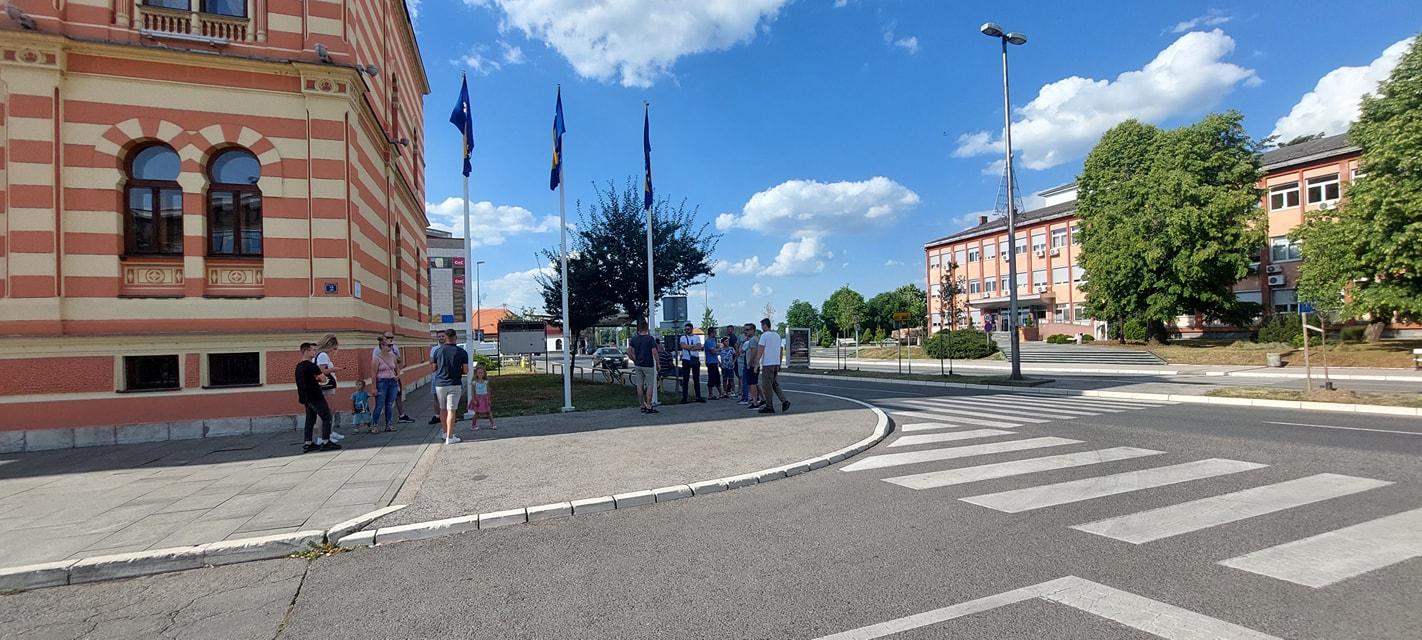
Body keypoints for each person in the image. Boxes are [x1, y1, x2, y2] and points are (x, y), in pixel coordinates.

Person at [295, 342, 339, 452]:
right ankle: (325, 441)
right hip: (315, 395)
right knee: (326, 416)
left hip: (305, 397)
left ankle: (308, 442)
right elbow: (323, 379)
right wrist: (318, 378)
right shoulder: (311, 366)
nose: (315, 352)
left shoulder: (299, 366)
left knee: (310, 419)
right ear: (306, 351)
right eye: (313, 350)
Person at [432, 329, 469, 445]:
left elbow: (433, 368)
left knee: (442, 409)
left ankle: (444, 432)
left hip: (440, 384)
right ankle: (450, 436)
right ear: (455, 338)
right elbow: (466, 370)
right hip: (454, 383)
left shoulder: (437, 351)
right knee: (452, 410)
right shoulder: (461, 352)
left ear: (445, 337)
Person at [376, 331, 415, 424]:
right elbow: (375, 364)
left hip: (394, 376)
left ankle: (401, 416)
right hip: (383, 379)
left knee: (397, 395)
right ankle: (376, 422)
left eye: (391, 338)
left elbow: (399, 361)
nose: (390, 340)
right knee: (381, 400)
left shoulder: (394, 347)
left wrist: (394, 355)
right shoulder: (377, 349)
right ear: (383, 338)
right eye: (388, 337)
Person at [312, 334, 345, 441]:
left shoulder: (319, 355)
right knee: (325, 411)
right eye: (335, 348)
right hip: (326, 386)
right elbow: (321, 371)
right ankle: (323, 436)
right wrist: (335, 369)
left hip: (325, 386)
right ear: (329, 345)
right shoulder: (323, 355)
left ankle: (329, 432)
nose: (335, 351)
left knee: (330, 410)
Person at [757, 317, 790, 414]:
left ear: (764, 325)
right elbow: (780, 350)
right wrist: (779, 363)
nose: (762, 328)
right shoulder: (777, 336)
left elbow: (760, 350)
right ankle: (785, 401)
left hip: (768, 364)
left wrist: (756, 363)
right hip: (775, 363)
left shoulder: (764, 336)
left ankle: (769, 406)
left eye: (762, 326)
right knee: (774, 384)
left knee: (767, 386)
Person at [628, 321, 660, 414]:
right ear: (646, 329)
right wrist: (658, 364)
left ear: (639, 329)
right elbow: (654, 352)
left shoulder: (634, 339)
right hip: (648, 365)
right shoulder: (650, 339)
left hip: (638, 365)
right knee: (650, 385)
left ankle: (642, 405)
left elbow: (629, 351)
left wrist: (634, 359)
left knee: (639, 385)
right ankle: (649, 405)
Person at [370, 337, 401, 432]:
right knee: (379, 405)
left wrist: (397, 376)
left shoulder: (392, 356)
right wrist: (374, 387)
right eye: (389, 345)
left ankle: (389, 424)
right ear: (382, 346)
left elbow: (397, 368)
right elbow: (373, 374)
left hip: (392, 382)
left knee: (390, 404)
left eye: (392, 345)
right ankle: (374, 425)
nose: (391, 347)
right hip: (382, 382)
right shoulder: (376, 358)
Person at [678, 322, 705, 403]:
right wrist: (693, 347)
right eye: (685, 329)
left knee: (696, 378)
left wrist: (689, 347)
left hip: (695, 359)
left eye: (688, 329)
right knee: (685, 379)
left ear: (692, 329)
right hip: (686, 359)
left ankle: (698, 396)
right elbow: (683, 346)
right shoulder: (683, 337)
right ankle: (684, 397)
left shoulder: (696, 337)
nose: (686, 331)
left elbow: (699, 347)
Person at [467, 364, 497, 430]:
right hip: (478, 399)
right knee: (477, 413)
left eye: (481, 372)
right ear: (476, 374)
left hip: (485, 398)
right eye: (478, 373)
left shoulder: (486, 382)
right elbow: (472, 392)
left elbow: (488, 391)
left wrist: (489, 399)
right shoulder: (474, 382)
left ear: (484, 373)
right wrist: (474, 399)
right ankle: (473, 425)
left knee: (489, 412)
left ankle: (493, 424)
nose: (480, 374)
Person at [427, 332, 446, 425]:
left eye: (443, 336)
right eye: (439, 336)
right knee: (435, 396)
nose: (441, 338)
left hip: (446, 375)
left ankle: (446, 415)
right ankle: (437, 415)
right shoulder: (434, 349)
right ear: (437, 338)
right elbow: (431, 361)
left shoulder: (448, 347)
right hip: (436, 374)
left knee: (446, 396)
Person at [741, 323, 761, 408]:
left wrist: (749, 364)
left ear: (753, 330)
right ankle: (762, 399)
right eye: (745, 330)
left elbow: (754, 352)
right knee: (755, 383)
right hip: (754, 364)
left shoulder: (753, 340)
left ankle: (755, 402)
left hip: (752, 365)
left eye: (748, 330)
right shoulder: (753, 339)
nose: (746, 331)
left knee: (752, 384)